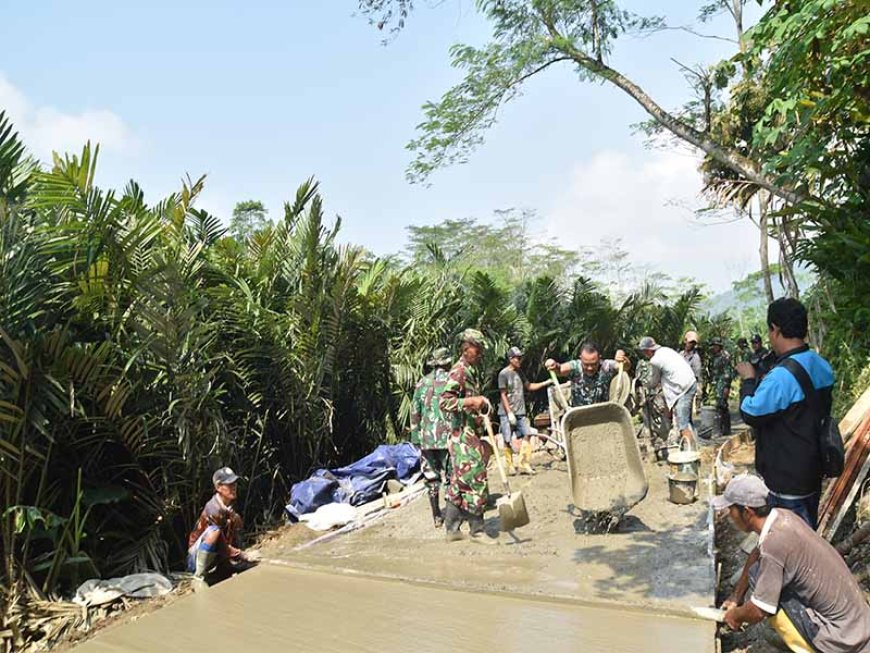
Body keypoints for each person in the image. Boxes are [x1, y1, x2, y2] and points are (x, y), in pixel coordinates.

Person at [714, 474, 870, 653]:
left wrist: (735, 615)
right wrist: (736, 596)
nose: (729, 515)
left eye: (731, 509)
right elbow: (757, 552)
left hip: (841, 638)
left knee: (761, 586)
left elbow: (759, 610)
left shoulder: (775, 544)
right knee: (759, 571)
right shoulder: (783, 517)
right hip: (859, 625)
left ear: (747, 512)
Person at [736, 298, 834, 529]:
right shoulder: (821, 364)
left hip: (788, 480)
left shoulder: (781, 376)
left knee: (791, 544)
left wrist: (748, 380)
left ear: (775, 329)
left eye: (770, 331)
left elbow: (750, 412)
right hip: (813, 469)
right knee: (807, 535)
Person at [439, 328, 498, 544]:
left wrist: (479, 411)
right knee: (476, 479)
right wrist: (470, 402)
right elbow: (444, 402)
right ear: (467, 348)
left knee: (459, 481)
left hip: (468, 432)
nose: (480, 353)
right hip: (463, 437)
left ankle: (452, 530)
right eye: (478, 348)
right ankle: (477, 531)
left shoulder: (471, 371)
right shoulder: (459, 370)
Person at [187, 467, 259, 586]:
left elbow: (231, 536)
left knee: (234, 520)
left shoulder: (228, 507)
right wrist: (242, 555)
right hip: (195, 558)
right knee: (214, 531)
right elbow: (219, 541)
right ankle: (199, 575)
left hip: (216, 556)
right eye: (229, 484)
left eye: (234, 483)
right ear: (218, 487)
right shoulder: (213, 509)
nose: (234, 486)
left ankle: (224, 567)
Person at [410, 346, 454, 528]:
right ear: (447, 362)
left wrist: (415, 437)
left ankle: (437, 515)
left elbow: (415, 412)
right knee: (451, 477)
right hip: (448, 437)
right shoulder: (452, 381)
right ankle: (452, 516)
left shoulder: (422, 383)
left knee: (431, 477)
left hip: (427, 439)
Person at [497, 346, 552, 475]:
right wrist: (509, 412)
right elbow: (503, 394)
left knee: (527, 433)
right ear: (510, 359)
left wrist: (545, 383)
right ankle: (510, 465)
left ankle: (524, 463)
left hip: (520, 411)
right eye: (517, 358)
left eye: (520, 358)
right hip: (506, 412)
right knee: (507, 438)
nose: (519, 360)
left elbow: (529, 386)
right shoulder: (503, 374)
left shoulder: (520, 373)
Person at [638, 336, 697, 450]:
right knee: (688, 420)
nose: (645, 355)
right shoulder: (666, 350)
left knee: (682, 424)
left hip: (682, 390)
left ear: (648, 350)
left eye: (645, 352)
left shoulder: (655, 360)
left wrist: (645, 385)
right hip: (690, 383)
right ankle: (694, 447)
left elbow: (654, 381)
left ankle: (689, 455)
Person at [544, 343, 630, 408]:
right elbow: (559, 370)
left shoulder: (606, 366)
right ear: (580, 358)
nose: (590, 368)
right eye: (586, 364)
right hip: (579, 414)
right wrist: (553, 365)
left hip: (603, 413)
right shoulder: (575, 366)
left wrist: (623, 359)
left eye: (594, 364)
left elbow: (624, 367)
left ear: (599, 358)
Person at [706, 336, 734, 436]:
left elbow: (728, 372)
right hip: (716, 383)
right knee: (720, 405)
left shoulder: (724, 356)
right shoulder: (713, 356)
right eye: (713, 345)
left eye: (715, 345)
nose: (713, 347)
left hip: (723, 383)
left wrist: (726, 387)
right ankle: (723, 429)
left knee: (721, 405)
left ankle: (723, 429)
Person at [682, 331, 704, 415]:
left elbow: (697, 375)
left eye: (693, 343)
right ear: (685, 341)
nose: (691, 345)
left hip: (691, 385)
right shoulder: (680, 355)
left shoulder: (695, 357)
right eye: (690, 342)